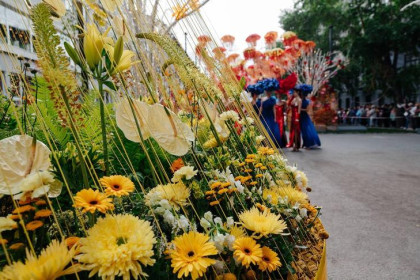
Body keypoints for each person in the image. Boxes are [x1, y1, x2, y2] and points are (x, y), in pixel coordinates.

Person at [258, 79, 284, 147]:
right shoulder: (263, 99)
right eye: (267, 91)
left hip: (270, 116)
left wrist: (275, 117)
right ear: (265, 91)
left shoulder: (273, 99)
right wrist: (258, 116)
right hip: (264, 116)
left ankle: (270, 144)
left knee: (271, 130)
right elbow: (261, 108)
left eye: (269, 91)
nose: (268, 92)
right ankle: (265, 144)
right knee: (264, 130)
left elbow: (274, 108)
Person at [296, 84, 321, 149]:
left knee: (306, 131)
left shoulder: (307, 101)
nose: (300, 94)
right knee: (303, 131)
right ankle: (305, 143)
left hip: (304, 117)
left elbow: (307, 110)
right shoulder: (299, 100)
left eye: (301, 93)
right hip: (300, 116)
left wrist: (299, 109)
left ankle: (308, 144)